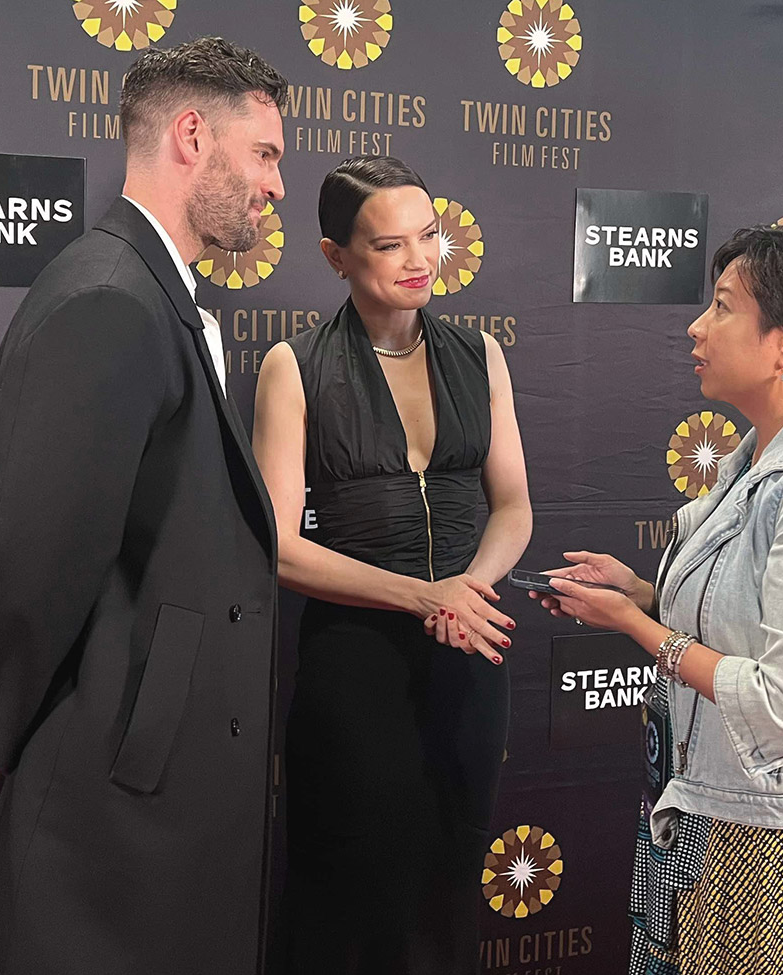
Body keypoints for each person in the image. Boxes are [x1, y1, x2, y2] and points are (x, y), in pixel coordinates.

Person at [0, 37, 290, 975]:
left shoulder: (152, 293)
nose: (277, 186)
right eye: (266, 155)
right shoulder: (109, 300)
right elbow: (38, 560)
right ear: (193, 136)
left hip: (160, 782)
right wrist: (6, 717)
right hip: (117, 787)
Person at [534, 226, 783, 975]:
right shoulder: (762, 451)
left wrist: (637, 626)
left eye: (724, 307)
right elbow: (744, 617)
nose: (697, 327)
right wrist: (636, 589)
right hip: (714, 812)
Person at [251, 155, 532, 973]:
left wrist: (466, 592)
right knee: (349, 889)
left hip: (468, 651)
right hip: (353, 668)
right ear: (337, 256)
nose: (419, 260)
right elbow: (278, 543)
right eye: (388, 245)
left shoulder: (480, 355)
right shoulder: (293, 364)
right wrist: (422, 595)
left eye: (431, 237)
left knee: (448, 883)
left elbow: (513, 507)